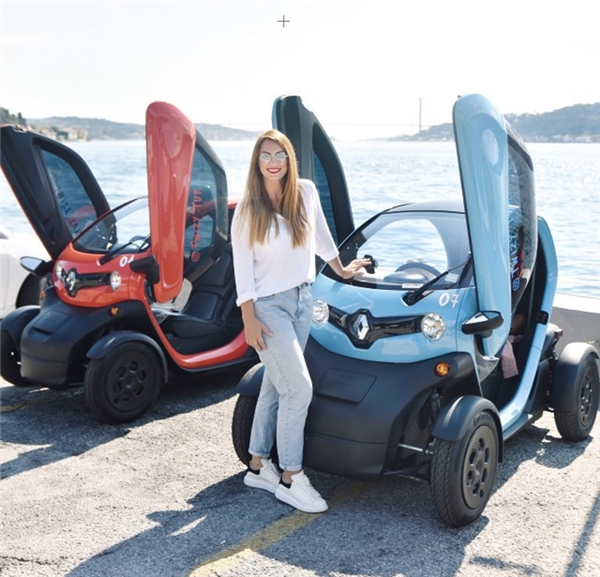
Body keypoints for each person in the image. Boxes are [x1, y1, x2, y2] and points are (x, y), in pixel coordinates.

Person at [231, 129, 369, 513]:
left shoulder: (305, 192)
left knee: (277, 384)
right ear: (256, 162)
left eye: (280, 154)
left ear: (289, 158)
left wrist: (343, 270)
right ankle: (291, 477)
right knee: (299, 388)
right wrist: (248, 318)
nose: (273, 162)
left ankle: (258, 464)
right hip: (267, 308)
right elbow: (242, 268)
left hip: (303, 301)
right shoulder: (248, 209)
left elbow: (322, 239)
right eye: (265, 155)